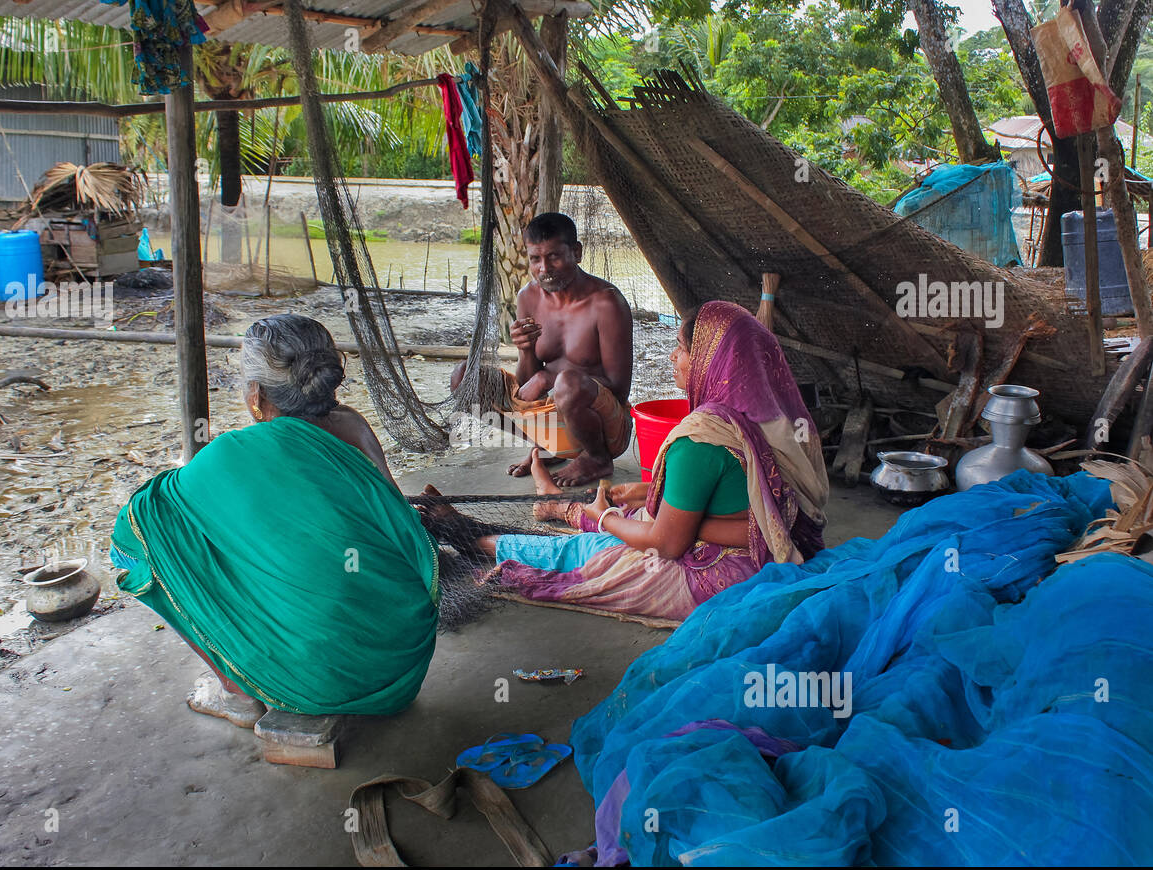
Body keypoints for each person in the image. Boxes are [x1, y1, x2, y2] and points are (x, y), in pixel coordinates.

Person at [109, 314, 440, 725]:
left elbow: (145, 515)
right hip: (402, 656)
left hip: (323, 680)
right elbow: (395, 519)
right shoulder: (354, 425)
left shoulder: (231, 453)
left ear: (256, 393)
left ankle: (236, 691)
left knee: (134, 542)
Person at [429, 301, 828, 622]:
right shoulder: (775, 423)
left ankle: (467, 535)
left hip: (716, 579)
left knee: (584, 556)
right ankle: (522, 513)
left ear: (712, 360)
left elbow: (666, 544)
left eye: (683, 349)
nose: (674, 356)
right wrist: (652, 496)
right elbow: (767, 518)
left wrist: (607, 518)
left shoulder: (700, 440)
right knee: (628, 519)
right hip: (763, 556)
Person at [452, 212, 634, 487]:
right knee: (463, 378)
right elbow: (527, 383)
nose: (544, 269)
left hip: (605, 429)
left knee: (568, 382)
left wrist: (548, 378)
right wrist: (525, 350)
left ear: (576, 252)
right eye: (535, 259)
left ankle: (596, 459)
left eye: (554, 257)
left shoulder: (606, 303)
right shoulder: (528, 296)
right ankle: (548, 447)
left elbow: (620, 390)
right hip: (550, 420)